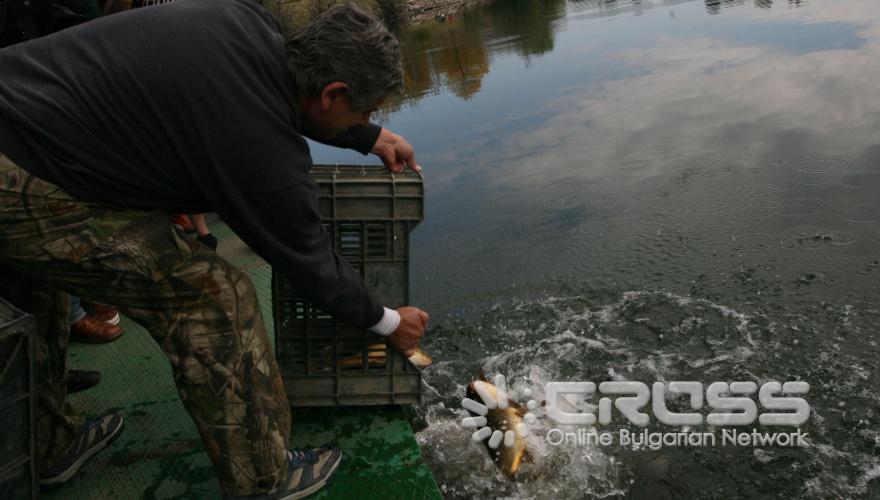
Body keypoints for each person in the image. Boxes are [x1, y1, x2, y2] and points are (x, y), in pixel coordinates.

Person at [0, 2, 428, 498]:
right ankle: (261, 479)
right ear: (334, 93)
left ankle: (46, 444)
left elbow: (288, 97)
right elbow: (311, 261)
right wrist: (387, 322)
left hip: (20, 118)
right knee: (214, 299)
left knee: (40, 282)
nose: (367, 118)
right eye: (365, 110)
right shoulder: (258, 146)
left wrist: (366, 135)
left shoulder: (248, 23)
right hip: (19, 178)